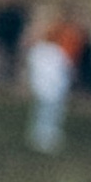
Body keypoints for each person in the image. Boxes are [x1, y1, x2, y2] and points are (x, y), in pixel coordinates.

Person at [26, 24, 73, 153]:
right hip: (53, 87)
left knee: (43, 112)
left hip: (44, 86)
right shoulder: (55, 52)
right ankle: (44, 137)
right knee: (49, 113)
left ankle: (41, 135)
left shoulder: (39, 51)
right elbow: (65, 68)